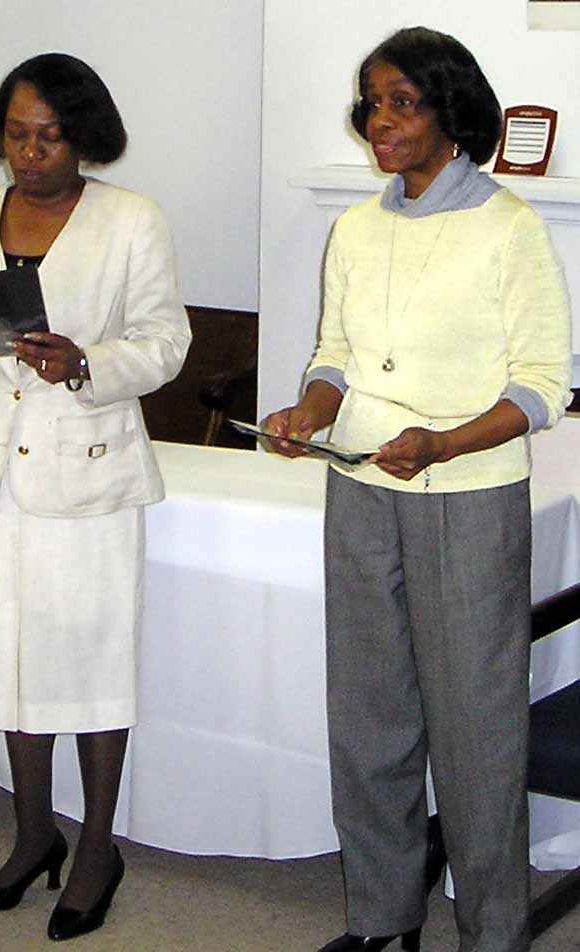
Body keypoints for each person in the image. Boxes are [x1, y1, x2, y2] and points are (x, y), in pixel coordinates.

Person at [264, 26, 571, 952]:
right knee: (368, 713)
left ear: (449, 112)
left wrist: (442, 443)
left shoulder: (508, 226)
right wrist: (308, 412)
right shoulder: (353, 227)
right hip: (360, 484)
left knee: (475, 731)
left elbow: (540, 384)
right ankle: (382, 915)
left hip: (468, 493)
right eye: (370, 102)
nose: (378, 121)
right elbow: (335, 359)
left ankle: (493, 931)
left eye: (400, 101)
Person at [0, 53, 190, 942]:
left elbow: (164, 342)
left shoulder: (130, 220)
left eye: (49, 137)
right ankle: (34, 836)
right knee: (9, 664)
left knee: (89, 666)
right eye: (16, 136)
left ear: (85, 136)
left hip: (90, 470)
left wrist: (87, 364)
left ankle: (98, 846)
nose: (30, 154)